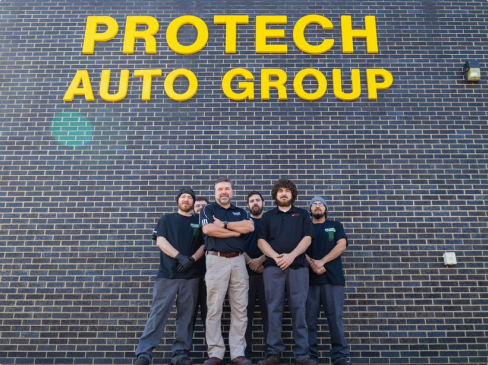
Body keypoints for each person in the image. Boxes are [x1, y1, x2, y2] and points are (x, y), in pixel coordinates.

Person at [134, 188, 205, 365]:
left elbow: (205, 245)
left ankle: (180, 354)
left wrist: (191, 259)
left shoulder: (199, 222)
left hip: (191, 277)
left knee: (186, 316)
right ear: (178, 201)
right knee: (158, 313)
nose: (186, 200)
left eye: (190, 197)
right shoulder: (167, 219)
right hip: (168, 275)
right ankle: (144, 353)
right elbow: (160, 241)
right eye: (183, 197)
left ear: (193, 202)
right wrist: (179, 256)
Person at [257, 179, 316, 365]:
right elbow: (261, 242)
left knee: (299, 309)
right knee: (273, 309)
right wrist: (276, 257)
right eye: (281, 191)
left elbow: (307, 239)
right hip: (273, 269)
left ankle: (302, 355)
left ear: (292, 194)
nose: (284, 193)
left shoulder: (303, 214)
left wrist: (291, 256)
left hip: (298, 268)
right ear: (275, 194)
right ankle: (274, 354)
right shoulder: (267, 216)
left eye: (287, 191)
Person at [199, 177, 255, 365]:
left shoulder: (240, 211)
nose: (224, 192)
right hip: (216, 260)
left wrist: (223, 224)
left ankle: (237, 353)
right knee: (214, 308)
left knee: (240, 308)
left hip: (239, 261)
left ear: (232, 192)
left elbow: (249, 226)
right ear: (215, 193)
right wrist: (235, 232)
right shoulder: (208, 209)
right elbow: (208, 230)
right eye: (220, 189)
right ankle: (215, 353)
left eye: (227, 189)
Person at [306, 197, 352, 365]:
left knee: (335, 319)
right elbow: (299, 248)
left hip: (333, 280)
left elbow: (341, 245)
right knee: (308, 320)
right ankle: (310, 357)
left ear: (326, 208)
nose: (317, 206)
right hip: (310, 282)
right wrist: (313, 264)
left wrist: (322, 261)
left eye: (321, 204)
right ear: (310, 209)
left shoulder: (335, 225)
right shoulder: (306, 227)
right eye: (314, 204)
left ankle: (340, 356)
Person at [243, 191, 268, 360]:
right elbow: (236, 244)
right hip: (245, 275)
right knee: (245, 316)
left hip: (268, 273)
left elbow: (278, 242)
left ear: (263, 203)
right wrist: (250, 261)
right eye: (252, 201)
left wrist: (261, 260)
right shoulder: (243, 223)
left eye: (258, 200)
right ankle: (245, 355)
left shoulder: (270, 221)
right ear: (248, 205)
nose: (255, 203)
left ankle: (271, 354)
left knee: (270, 314)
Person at [192, 196, 210, 332]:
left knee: (209, 314)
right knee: (188, 314)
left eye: (203, 206)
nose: (200, 208)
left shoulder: (212, 223)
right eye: (197, 205)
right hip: (190, 275)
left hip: (209, 276)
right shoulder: (189, 222)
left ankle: (212, 350)